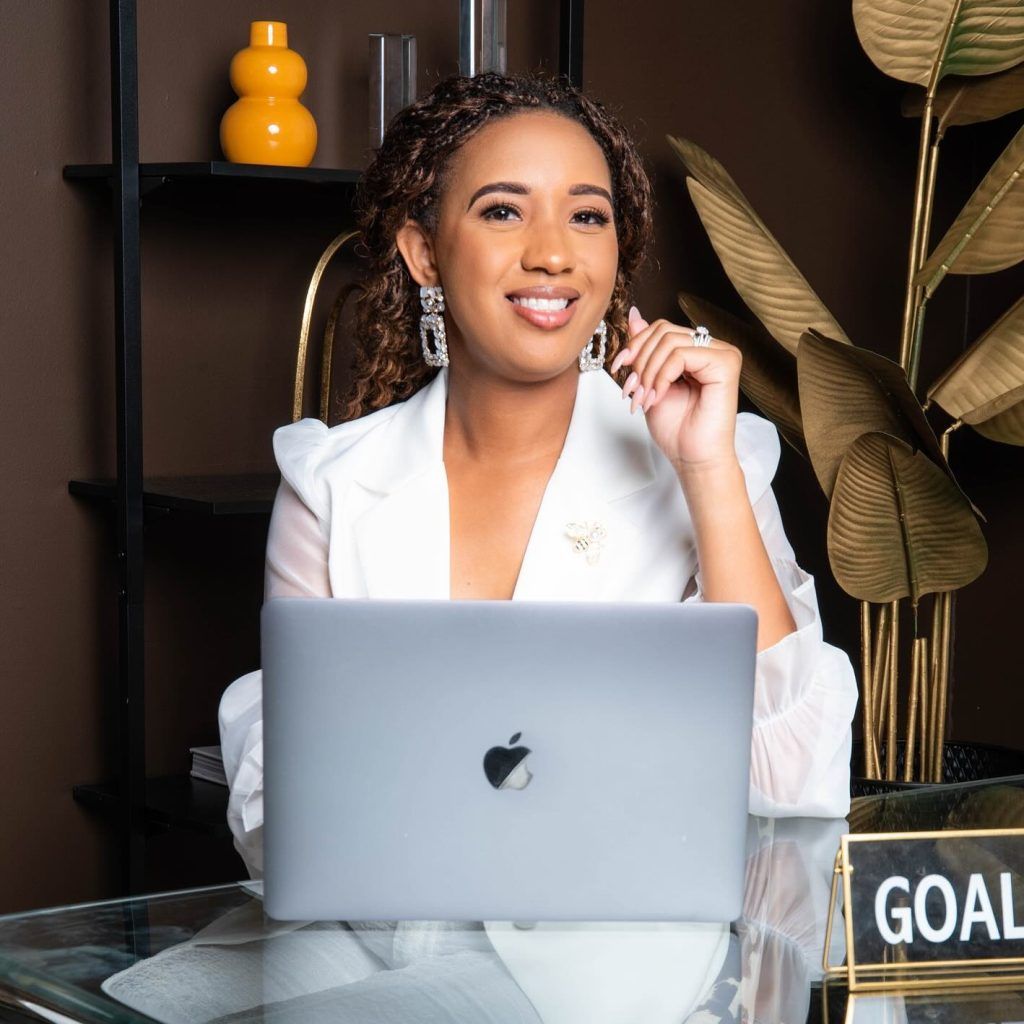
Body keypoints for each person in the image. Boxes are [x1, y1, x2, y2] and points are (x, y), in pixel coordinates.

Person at [217, 70, 858, 1022]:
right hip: (370, 962)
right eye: (504, 211)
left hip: (626, 982)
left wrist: (706, 471)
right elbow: (281, 819)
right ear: (424, 252)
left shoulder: (711, 463)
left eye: (587, 217)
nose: (553, 253)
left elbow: (798, 781)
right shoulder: (332, 484)